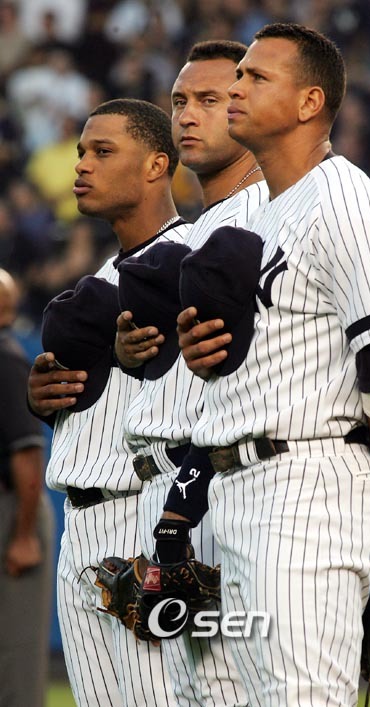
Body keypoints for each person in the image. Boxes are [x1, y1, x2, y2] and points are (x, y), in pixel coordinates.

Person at [175, 23, 370, 707]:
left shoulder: (344, 204)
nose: (236, 87)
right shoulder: (268, 212)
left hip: (305, 493)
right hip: (242, 490)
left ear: (309, 102)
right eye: (239, 75)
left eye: (256, 77)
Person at [114, 40, 268, 705]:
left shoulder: (264, 214)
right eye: (180, 100)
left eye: (210, 99)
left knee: (230, 687)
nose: (187, 115)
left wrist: (181, 510)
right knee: (199, 689)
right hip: (183, 487)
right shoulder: (206, 227)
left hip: (219, 487)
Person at [27, 98, 189, 707]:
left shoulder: (189, 259)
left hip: (141, 516)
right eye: (80, 152)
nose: (82, 165)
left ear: (156, 165)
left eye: (102, 151)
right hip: (79, 520)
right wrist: (46, 401)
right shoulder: (106, 272)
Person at [0, 267, 54, 707]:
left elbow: (28, 455)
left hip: (14, 510)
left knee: (15, 656)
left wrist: (23, 535)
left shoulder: (5, 359)